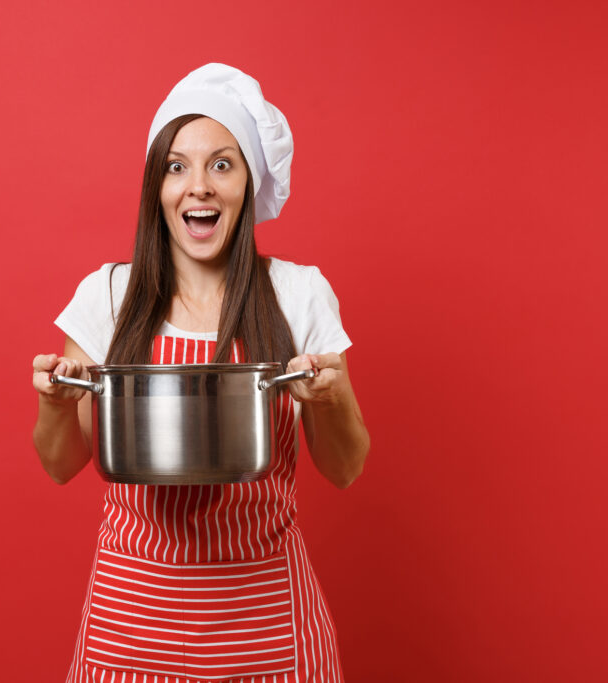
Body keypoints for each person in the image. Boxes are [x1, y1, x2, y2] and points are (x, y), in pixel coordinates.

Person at [31, 63, 370, 683]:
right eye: (177, 166)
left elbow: (345, 469)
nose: (199, 188)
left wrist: (332, 395)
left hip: (265, 623)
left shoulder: (296, 295)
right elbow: (58, 465)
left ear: (248, 181)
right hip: (129, 625)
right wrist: (55, 401)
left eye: (221, 164)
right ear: (156, 186)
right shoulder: (109, 296)